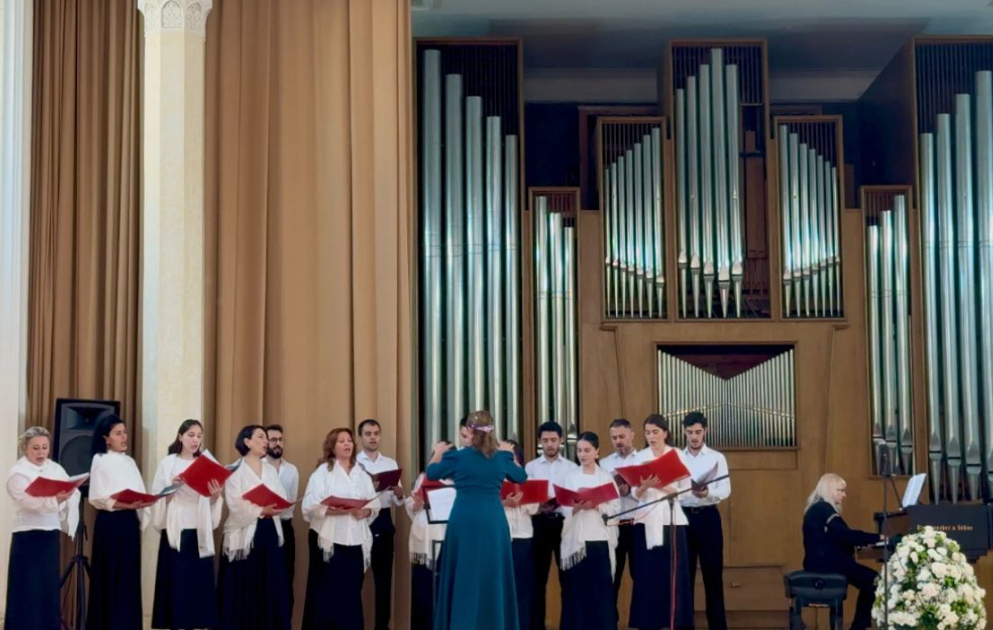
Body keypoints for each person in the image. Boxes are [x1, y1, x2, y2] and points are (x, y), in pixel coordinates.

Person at [426, 410, 527, 630]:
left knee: (464, 571)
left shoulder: (458, 457)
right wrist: (510, 453)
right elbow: (521, 477)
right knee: (492, 572)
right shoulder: (501, 458)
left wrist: (437, 452)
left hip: (464, 519)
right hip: (492, 521)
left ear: (470, 431)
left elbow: (432, 473)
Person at [301, 427, 379, 630]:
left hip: (355, 541)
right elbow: (309, 506)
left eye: (349, 441)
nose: (347, 444)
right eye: (341, 441)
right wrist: (334, 510)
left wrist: (366, 512)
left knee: (351, 593)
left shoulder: (361, 473)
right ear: (332, 447)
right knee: (327, 595)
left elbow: (374, 503)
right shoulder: (322, 472)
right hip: (329, 542)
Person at [150, 419, 224, 630]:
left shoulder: (206, 464)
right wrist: (171, 488)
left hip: (199, 529)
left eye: (199, 436)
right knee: (177, 586)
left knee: (198, 588)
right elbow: (157, 497)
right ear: (180, 436)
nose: (195, 440)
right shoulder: (168, 463)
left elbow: (212, 503)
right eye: (191, 435)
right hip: (177, 529)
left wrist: (215, 497)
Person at [5, 426, 80, 630]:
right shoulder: (17, 473)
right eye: (35, 448)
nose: (41, 453)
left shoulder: (54, 468)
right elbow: (27, 503)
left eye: (44, 447)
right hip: (27, 535)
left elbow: (68, 492)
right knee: (28, 589)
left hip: (49, 534)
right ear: (25, 448)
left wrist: (62, 498)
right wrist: (54, 500)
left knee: (47, 588)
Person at [218, 425, 291, 630]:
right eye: (260, 437)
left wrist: (276, 506)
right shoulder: (232, 469)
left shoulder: (269, 469)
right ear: (247, 442)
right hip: (245, 536)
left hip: (268, 533)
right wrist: (261, 510)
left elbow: (281, 496)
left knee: (268, 588)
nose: (266, 441)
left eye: (266, 438)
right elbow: (234, 503)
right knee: (244, 589)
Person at [87, 414, 153, 630]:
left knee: (128, 577)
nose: (124, 436)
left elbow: (139, 491)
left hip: (129, 523)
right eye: (118, 433)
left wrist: (142, 502)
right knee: (110, 577)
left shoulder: (129, 461)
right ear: (107, 438)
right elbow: (97, 497)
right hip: (110, 524)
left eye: (124, 432)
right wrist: (126, 505)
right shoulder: (100, 459)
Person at [628, 414, 693, 630]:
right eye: (648, 432)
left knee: (673, 577)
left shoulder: (676, 455)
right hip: (645, 522)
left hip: (671, 521)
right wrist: (645, 486)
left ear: (665, 432)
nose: (651, 436)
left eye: (656, 432)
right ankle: (648, 624)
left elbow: (685, 491)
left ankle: (675, 623)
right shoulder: (640, 457)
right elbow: (635, 494)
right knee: (647, 577)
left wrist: (661, 484)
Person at [558, 432, 620, 630]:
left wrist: (597, 505)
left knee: (600, 595)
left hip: (600, 541)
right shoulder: (570, 476)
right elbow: (564, 507)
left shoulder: (606, 477)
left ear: (597, 452)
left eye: (587, 450)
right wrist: (576, 506)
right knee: (577, 594)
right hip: (578, 543)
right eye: (579, 451)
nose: (582, 455)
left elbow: (615, 509)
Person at [803, 473, 880, 630]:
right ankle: (859, 627)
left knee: (870, 580)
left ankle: (860, 626)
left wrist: (861, 543)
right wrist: (878, 537)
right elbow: (845, 535)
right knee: (875, 580)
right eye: (841, 490)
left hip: (823, 562)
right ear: (830, 490)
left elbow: (835, 537)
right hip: (828, 565)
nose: (844, 495)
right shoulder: (823, 508)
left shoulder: (818, 509)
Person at [525, 420, 578, 630]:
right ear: (540, 441)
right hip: (539, 524)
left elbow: (573, 496)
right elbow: (528, 498)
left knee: (568, 579)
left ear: (561, 441)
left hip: (564, 524)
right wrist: (539, 505)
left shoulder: (572, 467)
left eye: (554, 440)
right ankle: (538, 626)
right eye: (545, 440)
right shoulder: (531, 467)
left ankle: (568, 625)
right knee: (538, 580)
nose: (549, 444)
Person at [680, 412, 730, 630]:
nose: (694, 437)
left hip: (708, 516)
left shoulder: (716, 458)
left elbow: (725, 489)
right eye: (690, 432)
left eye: (698, 432)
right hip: (683, 517)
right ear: (684, 431)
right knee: (685, 577)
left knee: (713, 576)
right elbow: (672, 490)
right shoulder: (677, 458)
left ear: (705, 431)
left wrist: (708, 492)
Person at [357, 418, 405, 630]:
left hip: (383, 520)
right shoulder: (354, 463)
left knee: (383, 582)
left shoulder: (390, 463)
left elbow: (397, 501)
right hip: (358, 520)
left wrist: (399, 493)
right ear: (360, 438)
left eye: (376, 433)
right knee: (354, 580)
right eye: (368, 434)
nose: (373, 437)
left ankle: (382, 627)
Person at [598, 418, 639, 620]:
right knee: (611, 578)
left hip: (637, 525)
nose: (618, 441)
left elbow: (651, 494)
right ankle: (609, 623)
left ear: (632, 435)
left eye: (622, 436)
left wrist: (630, 491)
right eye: (614, 438)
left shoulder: (642, 460)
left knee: (640, 578)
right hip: (613, 527)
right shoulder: (604, 464)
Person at [406, 470, 450, 630]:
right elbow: (411, 505)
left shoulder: (460, 478)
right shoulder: (424, 477)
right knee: (424, 591)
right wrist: (417, 503)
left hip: (447, 537)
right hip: (425, 540)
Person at [502, 439, 536, 630]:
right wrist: (505, 503)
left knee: (522, 589)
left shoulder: (527, 479)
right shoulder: (495, 479)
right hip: (502, 539)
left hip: (523, 537)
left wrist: (520, 502)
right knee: (503, 590)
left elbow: (535, 507)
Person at [265, 423, 300, 613]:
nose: (277, 444)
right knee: (265, 580)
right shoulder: (257, 467)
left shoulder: (292, 470)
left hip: (285, 526)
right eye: (272, 440)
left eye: (280, 440)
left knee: (286, 580)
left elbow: (292, 502)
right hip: (263, 526)